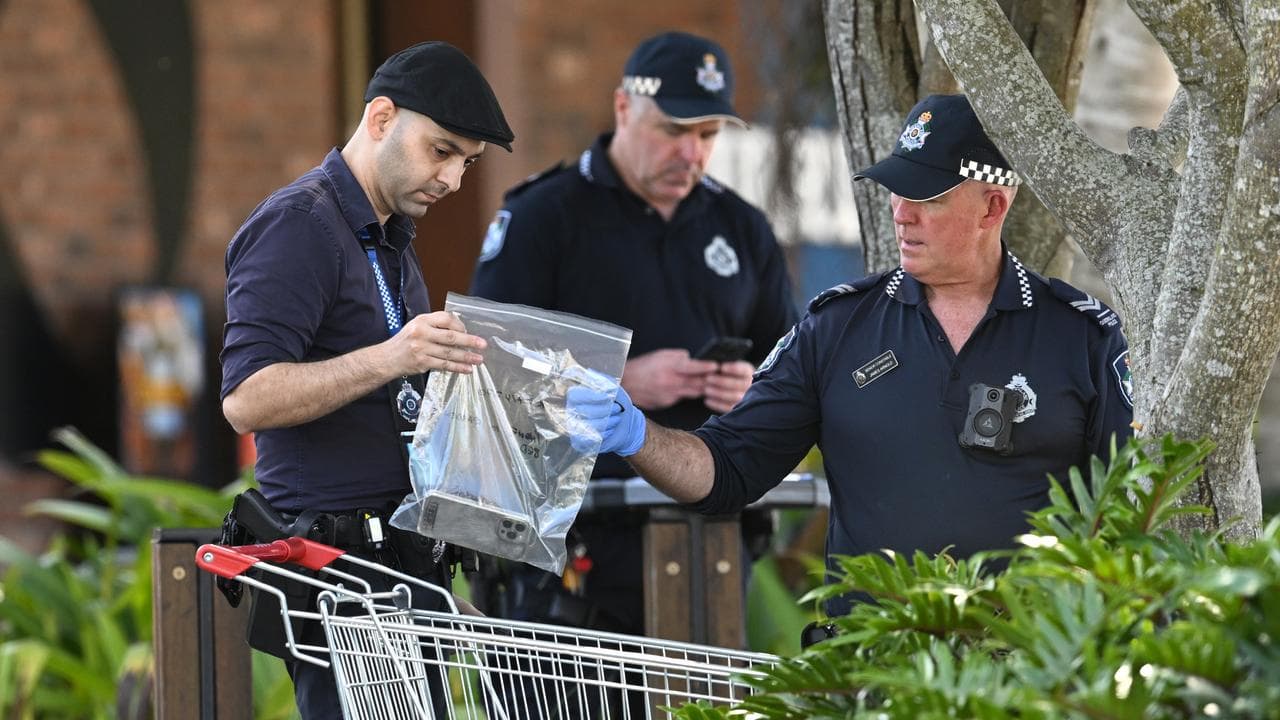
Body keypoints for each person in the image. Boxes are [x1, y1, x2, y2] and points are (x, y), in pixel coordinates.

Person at [577, 94, 1135, 620]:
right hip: (868, 663)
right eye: (897, 191)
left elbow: (1135, 515)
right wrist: (637, 435)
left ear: (992, 207)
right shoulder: (838, 327)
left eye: (927, 198)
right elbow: (727, 470)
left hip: (1029, 664)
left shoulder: (1083, 338)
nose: (902, 214)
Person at [219, 41, 513, 719]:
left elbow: (393, 400)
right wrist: (392, 357)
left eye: (467, 162)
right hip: (339, 581)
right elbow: (245, 399)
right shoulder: (300, 224)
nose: (453, 179)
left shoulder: (388, 234)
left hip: (400, 570)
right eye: (441, 151)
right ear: (381, 118)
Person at [469, 31, 797, 638]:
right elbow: (482, 372)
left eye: (707, 135)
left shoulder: (743, 228)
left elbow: (791, 367)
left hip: (711, 542)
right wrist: (619, 383)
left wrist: (754, 389)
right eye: (673, 130)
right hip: (573, 545)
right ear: (623, 107)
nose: (691, 153)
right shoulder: (545, 216)